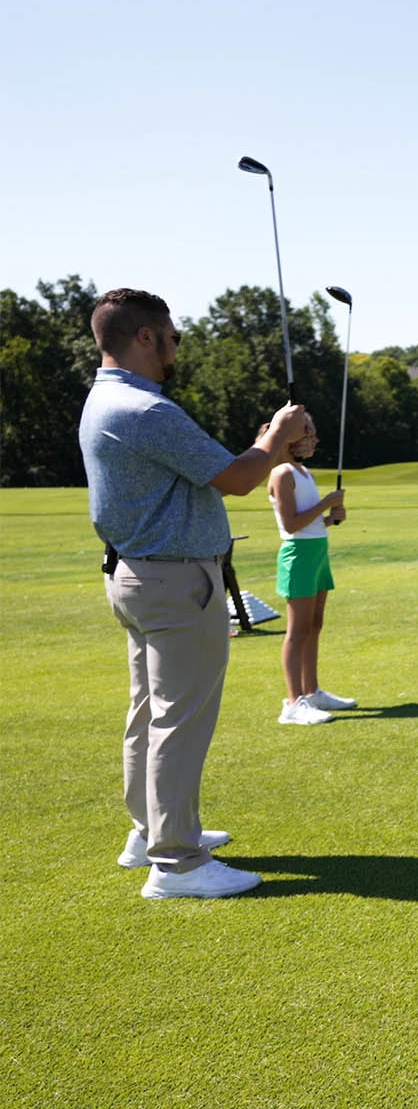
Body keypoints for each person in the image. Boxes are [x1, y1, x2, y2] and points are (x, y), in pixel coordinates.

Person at [78, 288, 308, 899]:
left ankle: (149, 831)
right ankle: (175, 860)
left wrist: (266, 447)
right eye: (173, 336)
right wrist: (277, 436)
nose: (177, 347)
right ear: (147, 337)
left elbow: (225, 469)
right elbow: (236, 479)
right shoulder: (146, 410)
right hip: (175, 580)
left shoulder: (104, 399)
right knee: (178, 720)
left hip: (137, 574)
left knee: (149, 713)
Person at [268, 413, 353, 724]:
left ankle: (312, 691)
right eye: (309, 433)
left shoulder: (304, 473)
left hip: (317, 551)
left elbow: (310, 523)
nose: (315, 439)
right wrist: (326, 503)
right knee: (297, 630)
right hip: (298, 556)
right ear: (291, 438)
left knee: (314, 624)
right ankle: (293, 703)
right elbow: (291, 525)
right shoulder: (281, 473)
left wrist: (331, 517)